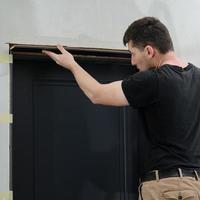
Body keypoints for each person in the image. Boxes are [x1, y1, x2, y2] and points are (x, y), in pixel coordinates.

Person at [42, 17, 200, 199]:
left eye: (133, 53)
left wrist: (71, 64)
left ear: (149, 51)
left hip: (169, 188)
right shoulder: (197, 77)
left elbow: (97, 93)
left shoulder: (154, 80)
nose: (132, 62)